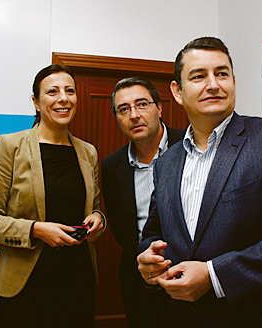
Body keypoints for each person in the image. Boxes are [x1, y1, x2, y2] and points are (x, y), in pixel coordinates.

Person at [137, 37, 262, 327]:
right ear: (177, 91)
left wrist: (215, 275)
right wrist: (150, 256)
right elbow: (154, 230)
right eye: (199, 76)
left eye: (222, 73)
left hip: (255, 316)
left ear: (233, 81)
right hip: (180, 317)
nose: (213, 84)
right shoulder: (167, 161)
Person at [0, 64, 106, 327]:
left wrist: (97, 218)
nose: (63, 98)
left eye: (70, 91)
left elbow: (94, 209)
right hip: (26, 287)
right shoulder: (11, 146)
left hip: (77, 280)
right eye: (52, 92)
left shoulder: (87, 152)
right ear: (36, 102)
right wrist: (36, 230)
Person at [101, 77, 184, 327]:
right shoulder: (111, 166)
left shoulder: (191, 146)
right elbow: (121, 230)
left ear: (160, 108)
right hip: (139, 278)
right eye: (123, 109)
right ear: (117, 117)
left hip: (189, 275)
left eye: (142, 104)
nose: (134, 115)